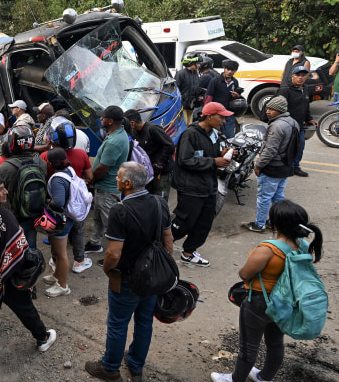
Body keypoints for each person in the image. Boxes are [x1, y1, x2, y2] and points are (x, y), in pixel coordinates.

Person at [211, 200, 323, 382]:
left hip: (259, 302)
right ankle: (266, 380)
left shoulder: (268, 249)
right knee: (276, 343)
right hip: (285, 303)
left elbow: (245, 274)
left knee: (249, 345)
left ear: (277, 224)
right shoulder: (304, 246)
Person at [85, 162, 172, 382]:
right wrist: (160, 266)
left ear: (128, 183)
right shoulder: (159, 202)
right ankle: (136, 366)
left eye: (119, 177)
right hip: (152, 277)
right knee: (144, 321)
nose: (116, 179)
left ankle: (110, 368)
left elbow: (114, 253)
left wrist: (107, 269)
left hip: (126, 278)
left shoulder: (120, 210)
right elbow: (168, 240)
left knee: (118, 323)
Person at [0, 173, 57, 366]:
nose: (6, 192)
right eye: (0, 189)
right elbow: (20, 248)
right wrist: (24, 275)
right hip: (7, 274)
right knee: (24, 307)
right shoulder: (4, 216)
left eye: (4, 187)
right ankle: (42, 338)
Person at [171, 102, 232, 267]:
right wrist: (214, 161)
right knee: (184, 222)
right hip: (191, 187)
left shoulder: (213, 134)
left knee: (204, 222)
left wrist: (221, 155)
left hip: (209, 186)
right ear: (210, 116)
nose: (224, 121)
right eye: (221, 117)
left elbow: (208, 155)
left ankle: (189, 252)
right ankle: (159, 246)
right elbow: (185, 160)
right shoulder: (190, 134)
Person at [40, 118, 93, 271]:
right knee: (78, 230)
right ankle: (79, 261)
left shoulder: (46, 156)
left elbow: (42, 178)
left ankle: (55, 261)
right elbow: (89, 176)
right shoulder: (81, 154)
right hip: (75, 202)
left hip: (55, 203)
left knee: (55, 233)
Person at [241, 96, 299, 232]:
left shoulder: (276, 125)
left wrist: (258, 165)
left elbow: (270, 150)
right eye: (267, 108)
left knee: (264, 198)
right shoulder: (293, 122)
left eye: (272, 109)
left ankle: (259, 224)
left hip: (273, 168)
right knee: (278, 196)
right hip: (285, 166)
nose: (268, 111)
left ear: (280, 110)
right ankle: (275, 222)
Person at [86, 105, 130, 254]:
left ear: (110, 121)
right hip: (104, 187)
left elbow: (103, 168)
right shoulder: (117, 134)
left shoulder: (114, 142)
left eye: (103, 117)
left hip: (107, 189)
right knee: (98, 218)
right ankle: (95, 243)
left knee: (111, 224)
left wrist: (90, 179)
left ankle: (118, 255)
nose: (100, 119)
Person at [0, 125, 47, 251]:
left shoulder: (5, 168)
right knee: (31, 244)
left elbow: (1, 196)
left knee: (14, 247)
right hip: (35, 212)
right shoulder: (41, 163)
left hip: (14, 216)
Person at [40, 147, 79, 297]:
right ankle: (56, 276)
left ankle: (62, 285)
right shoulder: (70, 171)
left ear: (50, 163)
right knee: (58, 250)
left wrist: (48, 200)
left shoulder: (58, 179)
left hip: (62, 219)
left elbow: (58, 202)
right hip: (69, 216)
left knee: (61, 254)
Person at [124, 110, 174, 201]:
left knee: (160, 200)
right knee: (148, 199)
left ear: (132, 123)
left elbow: (169, 145)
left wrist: (160, 162)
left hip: (161, 173)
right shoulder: (134, 133)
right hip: (148, 173)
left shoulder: (152, 129)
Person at [276, 66, 317, 177]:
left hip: (300, 125)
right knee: (285, 147)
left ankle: (295, 167)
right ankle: (283, 167)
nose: (300, 78)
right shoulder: (285, 90)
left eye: (303, 75)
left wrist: (309, 119)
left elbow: (306, 105)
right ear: (292, 76)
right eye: (298, 75)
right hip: (287, 125)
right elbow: (277, 108)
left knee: (300, 146)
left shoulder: (305, 88)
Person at [205, 59, 244, 138]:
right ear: (224, 69)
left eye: (232, 70)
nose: (230, 72)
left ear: (235, 71)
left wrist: (237, 96)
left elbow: (236, 98)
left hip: (229, 113)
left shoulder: (235, 82)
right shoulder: (215, 81)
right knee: (215, 137)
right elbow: (208, 97)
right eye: (228, 69)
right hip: (216, 114)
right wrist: (206, 112)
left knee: (230, 136)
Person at [175, 52, 201, 126]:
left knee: (189, 124)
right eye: (197, 63)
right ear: (191, 63)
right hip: (182, 105)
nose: (199, 65)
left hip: (191, 105)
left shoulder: (195, 73)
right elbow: (176, 88)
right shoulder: (181, 74)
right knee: (184, 124)